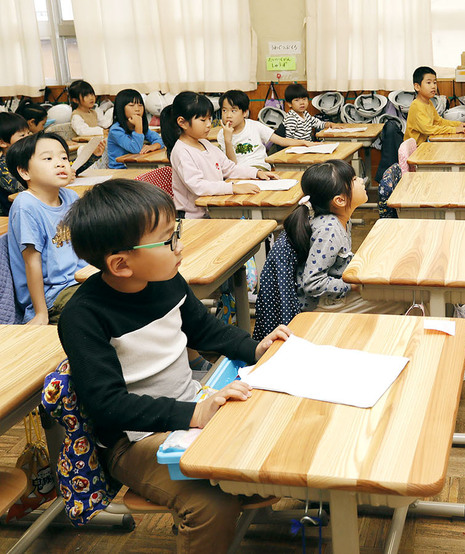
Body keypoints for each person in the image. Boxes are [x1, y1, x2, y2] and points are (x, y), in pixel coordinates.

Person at [56, 178, 291, 553]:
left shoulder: (164, 279)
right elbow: (108, 406)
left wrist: (255, 348)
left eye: (175, 232)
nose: (179, 247)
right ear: (120, 263)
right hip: (133, 442)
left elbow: (206, 330)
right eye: (167, 241)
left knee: (275, 428)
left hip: (191, 408)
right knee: (210, 502)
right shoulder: (84, 316)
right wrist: (195, 413)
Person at [280, 159, 465, 379]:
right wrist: (352, 286)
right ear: (339, 200)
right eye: (355, 180)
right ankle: (445, 365)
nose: (362, 181)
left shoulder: (340, 220)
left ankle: (456, 343)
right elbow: (312, 283)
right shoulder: (329, 228)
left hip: (337, 296)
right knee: (416, 295)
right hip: (326, 305)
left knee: (418, 287)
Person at [4, 132, 87, 324]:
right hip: (53, 295)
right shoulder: (26, 206)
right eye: (48, 158)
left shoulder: (70, 197)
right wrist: (41, 313)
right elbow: (31, 263)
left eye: (64, 157)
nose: (60, 163)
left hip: (80, 281)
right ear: (25, 172)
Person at [160, 92, 276, 218]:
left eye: (210, 118)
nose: (209, 124)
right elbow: (198, 186)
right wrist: (233, 188)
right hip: (195, 217)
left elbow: (229, 168)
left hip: (213, 207)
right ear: (182, 122)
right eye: (203, 120)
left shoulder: (204, 143)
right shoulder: (181, 152)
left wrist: (256, 173)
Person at [216, 89, 315, 170]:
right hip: (238, 173)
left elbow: (281, 140)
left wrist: (304, 142)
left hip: (259, 168)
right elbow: (232, 164)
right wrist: (227, 141)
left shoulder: (255, 126)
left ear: (245, 113)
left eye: (233, 111)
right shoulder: (222, 134)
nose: (228, 115)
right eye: (224, 110)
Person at [403, 66, 465, 145]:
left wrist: (458, 124)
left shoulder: (429, 103)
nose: (433, 86)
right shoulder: (416, 106)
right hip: (416, 150)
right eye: (428, 83)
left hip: (425, 146)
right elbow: (428, 129)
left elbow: (439, 121)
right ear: (417, 86)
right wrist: (453, 130)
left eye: (434, 82)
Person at [107, 88, 165, 169]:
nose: (137, 109)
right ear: (121, 108)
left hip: (136, 166)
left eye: (140, 105)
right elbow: (135, 149)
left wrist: (153, 146)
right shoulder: (116, 130)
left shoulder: (141, 127)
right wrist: (138, 126)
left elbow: (161, 140)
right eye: (131, 105)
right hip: (120, 170)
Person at [0, 113, 30, 216]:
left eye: (28, 133)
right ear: (3, 143)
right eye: (22, 135)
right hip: (12, 215)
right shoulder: (3, 167)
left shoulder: (26, 158)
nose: (28, 138)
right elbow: (22, 188)